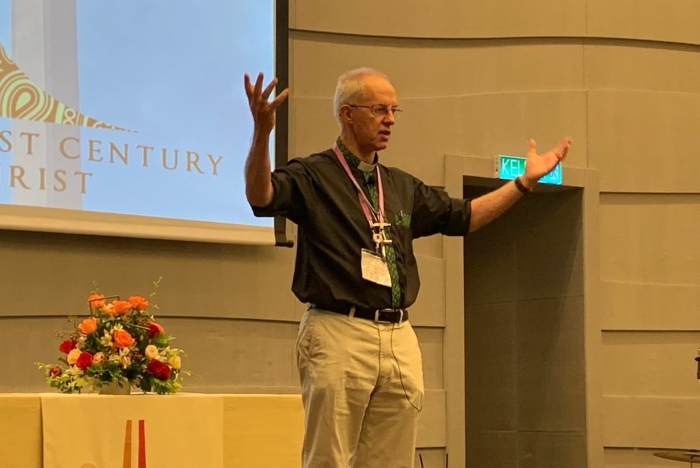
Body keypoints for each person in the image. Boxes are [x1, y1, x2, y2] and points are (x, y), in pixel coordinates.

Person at [244, 68, 571, 468]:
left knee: (392, 460)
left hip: (398, 334)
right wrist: (262, 134)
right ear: (347, 114)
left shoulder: (400, 185)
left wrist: (523, 183)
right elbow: (261, 195)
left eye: (394, 110)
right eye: (379, 110)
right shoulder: (313, 175)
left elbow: (464, 217)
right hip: (338, 330)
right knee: (328, 458)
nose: (390, 120)